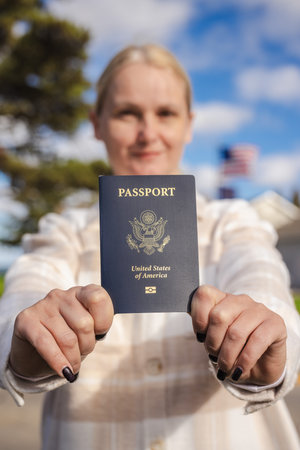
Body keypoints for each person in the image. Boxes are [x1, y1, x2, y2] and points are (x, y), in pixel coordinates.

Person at [0, 44, 300, 450]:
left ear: (189, 125)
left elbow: (265, 281)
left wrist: (269, 335)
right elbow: (22, 296)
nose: (148, 133)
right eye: (127, 113)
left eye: (166, 113)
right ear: (97, 123)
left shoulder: (232, 223)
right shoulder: (63, 231)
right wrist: (26, 340)